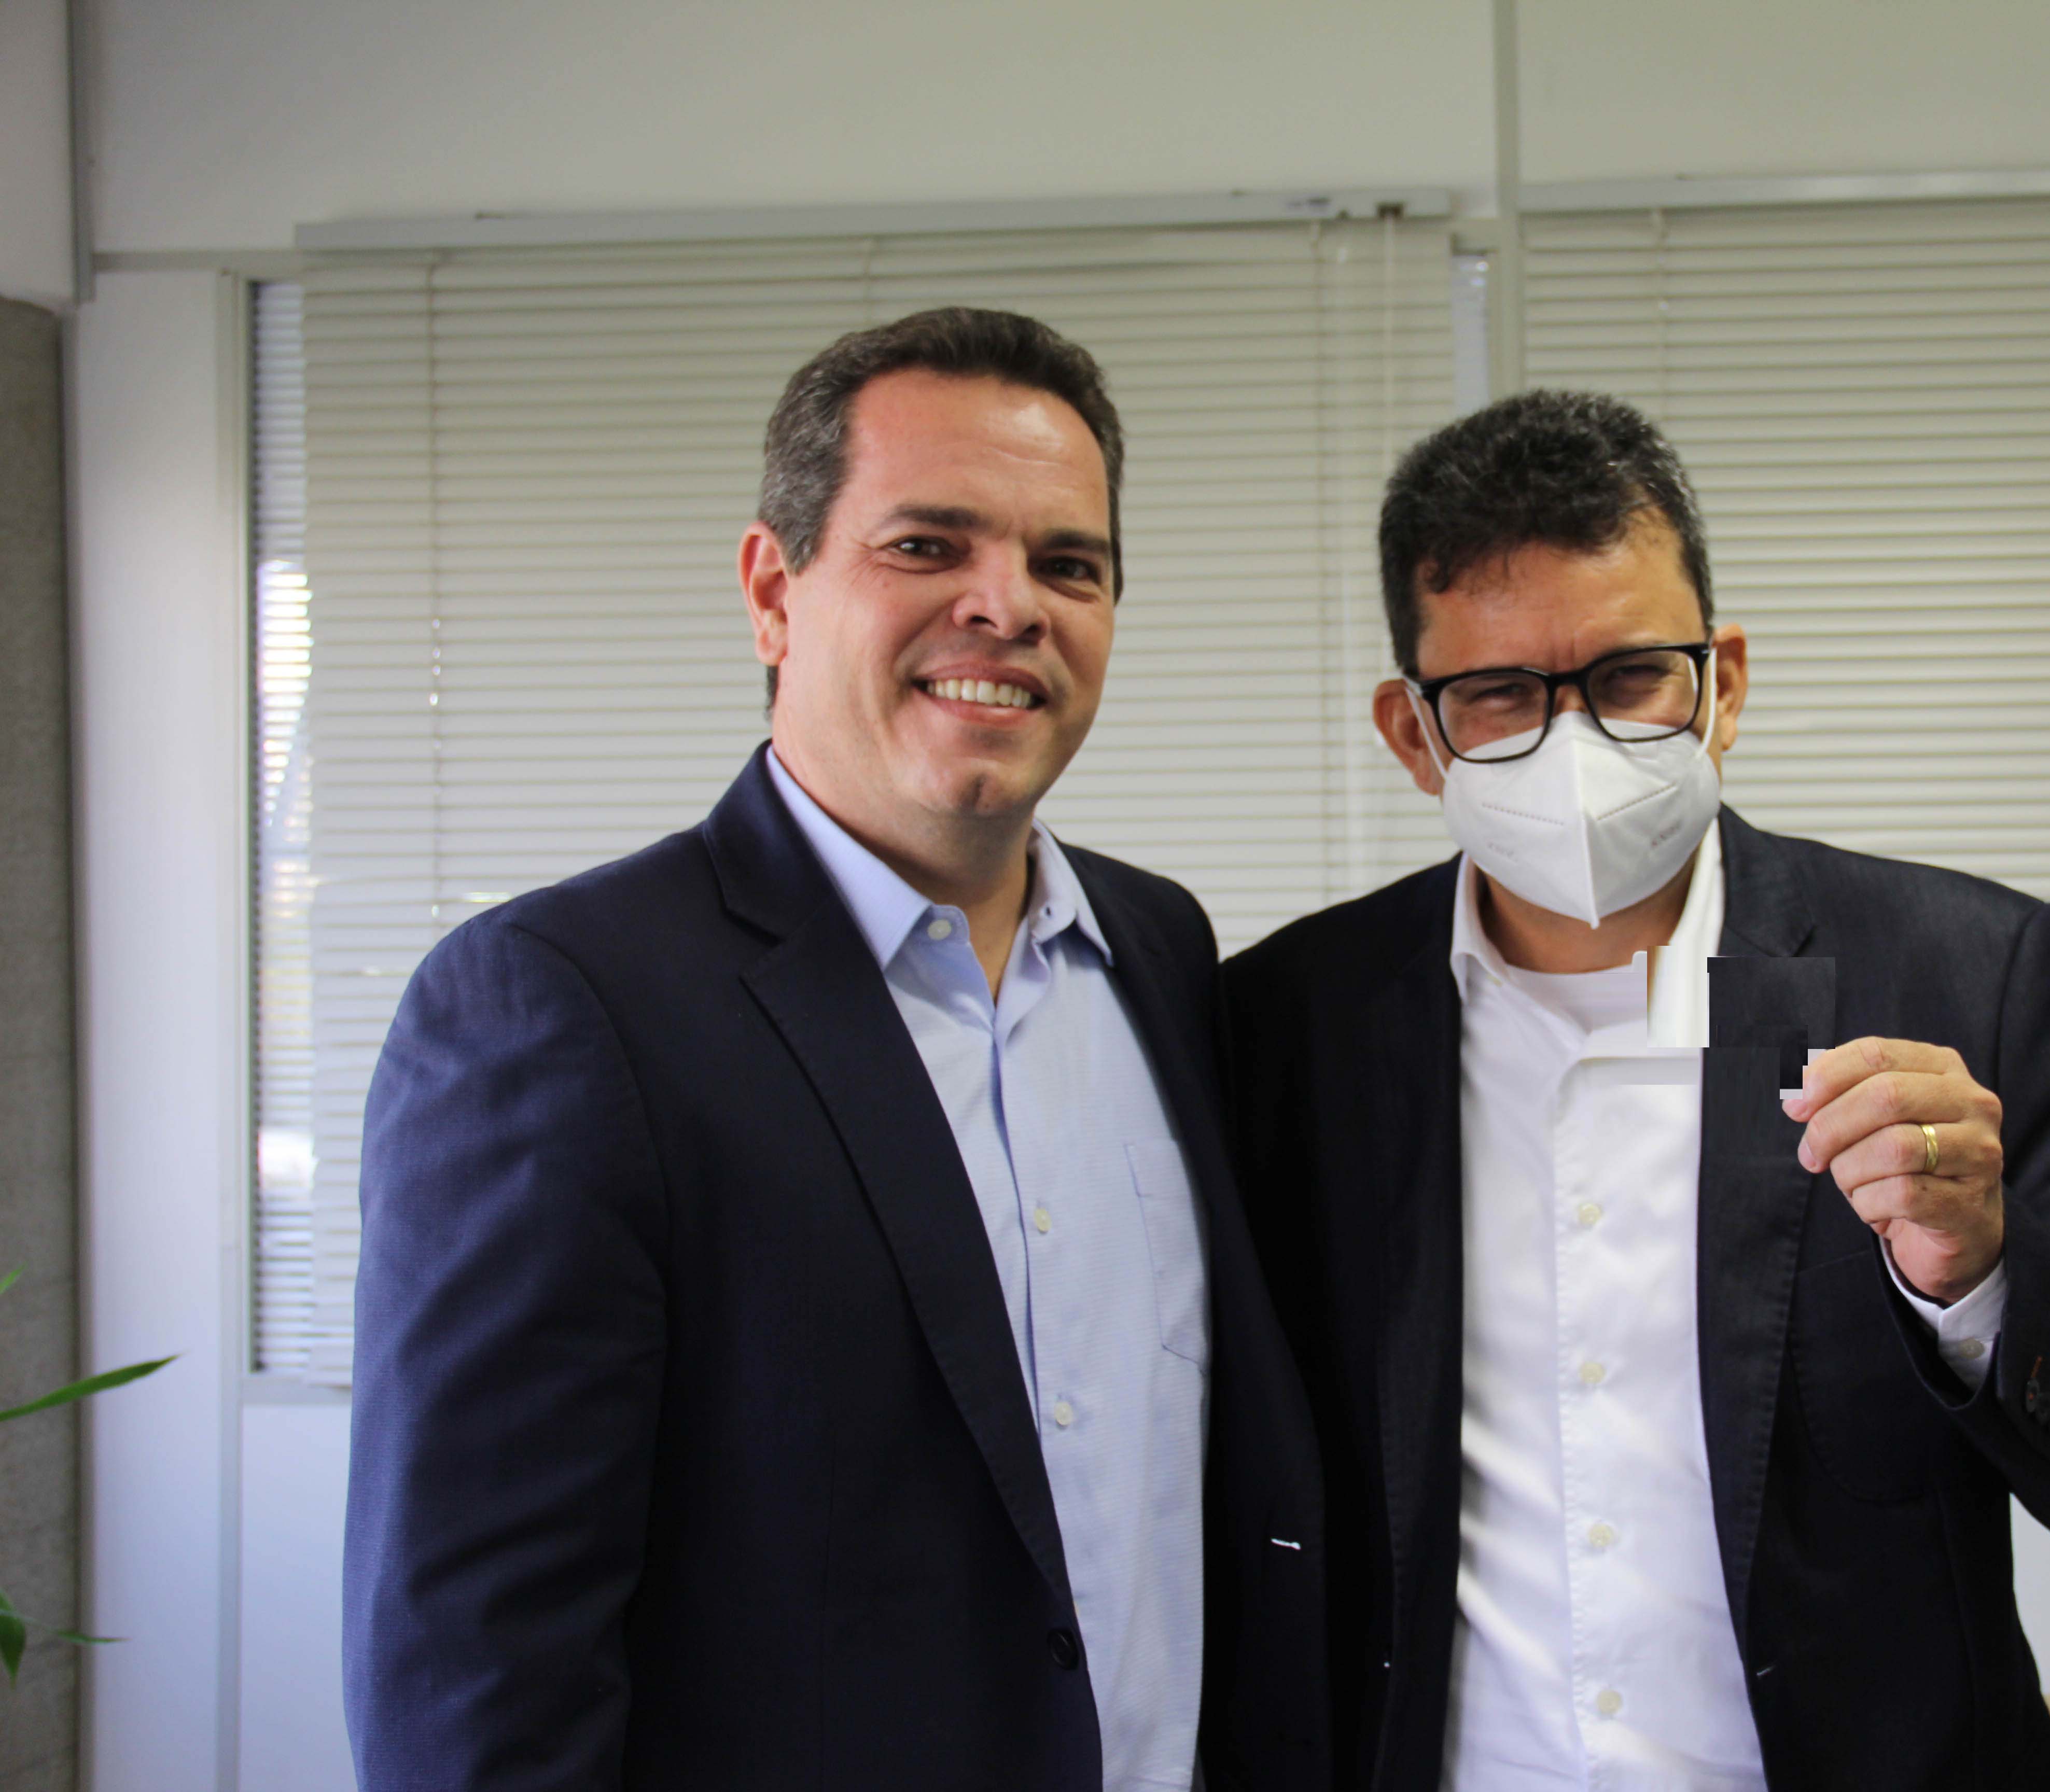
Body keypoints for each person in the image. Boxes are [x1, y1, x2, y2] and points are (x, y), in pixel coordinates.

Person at [345, 307, 1327, 1792]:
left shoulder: (1163, 954)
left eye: (1070, 564)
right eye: (927, 546)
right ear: (771, 590)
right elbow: (476, 1658)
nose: (1009, 606)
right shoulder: (559, 1007)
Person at [1221, 390, 2050, 1791]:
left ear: (1726, 685)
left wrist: (1982, 1271)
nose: (1575, 745)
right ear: (1416, 736)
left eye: (1631, 676)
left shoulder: (1967, 973)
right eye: (1502, 695)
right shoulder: (1291, 1026)